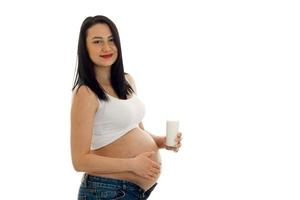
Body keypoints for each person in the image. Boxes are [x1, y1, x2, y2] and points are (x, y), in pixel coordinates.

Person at [71, 15, 182, 200]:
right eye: (97, 41)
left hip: (132, 192)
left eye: (111, 40)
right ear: (85, 48)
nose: (106, 48)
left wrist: (162, 142)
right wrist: (132, 164)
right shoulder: (85, 93)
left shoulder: (127, 81)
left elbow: (135, 130)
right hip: (105, 191)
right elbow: (79, 160)